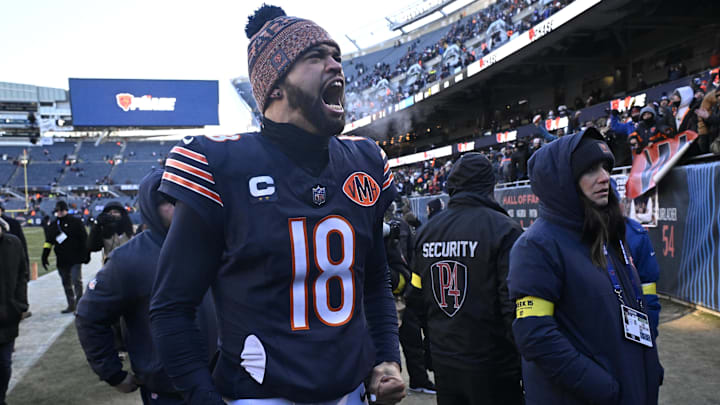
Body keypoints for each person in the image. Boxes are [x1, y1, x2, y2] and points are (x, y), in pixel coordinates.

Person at [150, 5, 405, 405]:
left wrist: (387, 358)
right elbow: (171, 307)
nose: (335, 65)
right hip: (261, 394)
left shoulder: (365, 161)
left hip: (353, 392)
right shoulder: (220, 164)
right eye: (315, 56)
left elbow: (373, 280)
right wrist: (202, 395)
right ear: (275, 86)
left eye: (335, 55)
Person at [508, 129, 663, 404]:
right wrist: (603, 388)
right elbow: (536, 336)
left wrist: (647, 366)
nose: (604, 177)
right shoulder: (536, 246)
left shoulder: (609, 234)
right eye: (591, 169)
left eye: (605, 167)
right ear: (562, 181)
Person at [76, 170, 216, 404]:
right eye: (168, 201)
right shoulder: (128, 260)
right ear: (151, 207)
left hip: (219, 381)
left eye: (185, 196)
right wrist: (113, 373)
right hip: (169, 392)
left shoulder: (211, 245)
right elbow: (89, 316)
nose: (180, 205)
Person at [411, 153, 523, 405]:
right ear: (490, 186)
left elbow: (415, 301)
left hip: (445, 362)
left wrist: (431, 349)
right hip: (494, 368)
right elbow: (512, 307)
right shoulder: (505, 229)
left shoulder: (426, 233)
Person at [0, 218, 29, 405]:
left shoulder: (13, 243)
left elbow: (22, 274)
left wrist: (19, 304)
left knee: (4, 365)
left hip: (7, 315)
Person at [42, 200, 88, 314]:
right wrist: (45, 255)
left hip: (75, 258)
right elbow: (48, 241)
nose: (60, 213)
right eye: (57, 211)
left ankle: (79, 305)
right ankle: (71, 304)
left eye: (61, 210)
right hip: (62, 259)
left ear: (66, 210)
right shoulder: (53, 225)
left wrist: (86, 254)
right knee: (66, 283)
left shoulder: (76, 222)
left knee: (76, 281)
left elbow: (84, 238)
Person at [0, 203, 31, 318]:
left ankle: (20, 309)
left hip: (12, 262)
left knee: (17, 284)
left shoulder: (12, 225)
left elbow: (21, 246)